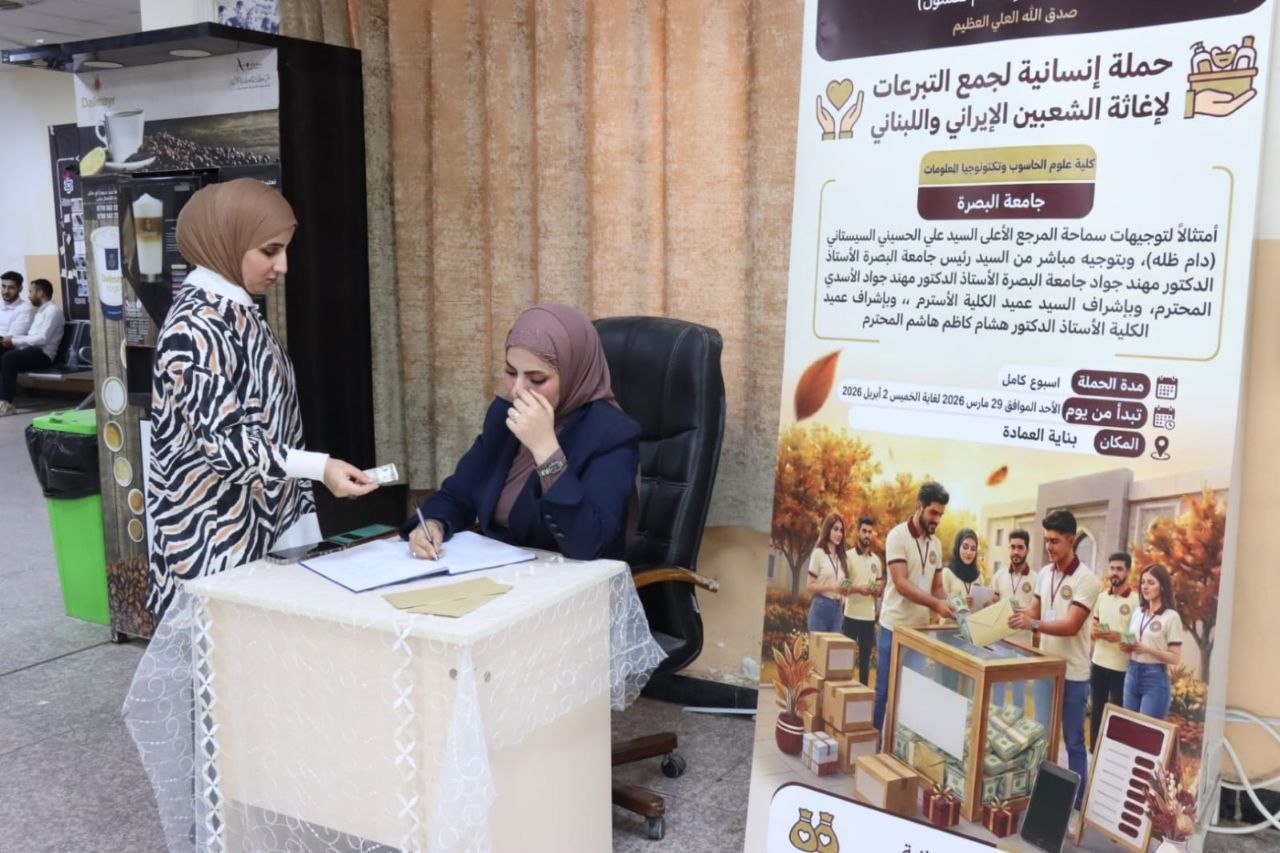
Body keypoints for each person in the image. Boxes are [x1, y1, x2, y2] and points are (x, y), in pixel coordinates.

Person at [146, 179, 376, 618]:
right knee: (224, 656)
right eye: (270, 251)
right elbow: (227, 448)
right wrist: (319, 468)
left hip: (258, 527)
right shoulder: (195, 326)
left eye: (284, 250)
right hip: (214, 538)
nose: (283, 266)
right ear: (225, 242)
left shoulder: (234, 309)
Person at [405, 303, 640, 562]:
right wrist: (434, 523)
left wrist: (546, 451)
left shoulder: (611, 433)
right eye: (510, 372)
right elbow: (459, 493)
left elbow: (589, 544)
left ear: (574, 374)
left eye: (536, 379)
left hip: (568, 575)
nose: (517, 390)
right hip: (498, 567)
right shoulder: (505, 413)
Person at [1008, 509, 1100, 809]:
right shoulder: (1045, 574)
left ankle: (1075, 804)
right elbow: (1034, 612)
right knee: (1042, 736)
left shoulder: (1088, 580)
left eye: (1055, 541)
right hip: (1047, 670)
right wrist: (1012, 614)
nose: (1048, 546)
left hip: (1073, 675)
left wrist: (1033, 623)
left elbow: (1071, 625)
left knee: (1073, 742)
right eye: (1046, 540)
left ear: (1072, 540)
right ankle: (1042, 795)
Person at [875, 481, 955, 731]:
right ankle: (874, 743)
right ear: (919, 506)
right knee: (883, 693)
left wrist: (952, 605)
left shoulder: (936, 544)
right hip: (893, 629)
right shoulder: (897, 536)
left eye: (941, 515)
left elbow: (937, 587)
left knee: (910, 696)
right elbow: (901, 583)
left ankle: (899, 748)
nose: (937, 520)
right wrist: (936, 604)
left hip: (918, 633)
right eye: (933, 513)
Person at [1121, 564, 1183, 719]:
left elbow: (1175, 658)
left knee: (1145, 730)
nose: (1145, 586)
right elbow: (1132, 640)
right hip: (1132, 673)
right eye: (1143, 582)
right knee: (1128, 727)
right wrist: (1127, 645)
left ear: (1162, 586)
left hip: (1154, 678)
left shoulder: (1171, 617)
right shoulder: (1138, 612)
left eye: (1151, 582)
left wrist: (1147, 649)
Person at [1091, 552, 1139, 746]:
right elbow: (1094, 625)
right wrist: (1095, 632)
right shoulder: (1101, 597)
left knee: (1118, 713)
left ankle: (1114, 752)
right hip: (1098, 662)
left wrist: (1119, 636)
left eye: (1119, 569)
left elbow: (1138, 638)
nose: (1115, 573)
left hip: (1121, 667)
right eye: (1112, 568)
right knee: (1097, 710)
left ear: (1128, 571)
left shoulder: (1136, 601)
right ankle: (1094, 750)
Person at [0, 278, 64, 416]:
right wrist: (10, 340)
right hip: (30, 351)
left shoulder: (53, 312)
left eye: (30, 291)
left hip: (43, 354)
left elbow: (42, 339)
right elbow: (31, 337)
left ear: (40, 293)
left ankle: (5, 403)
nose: (28, 295)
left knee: (9, 358)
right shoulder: (40, 311)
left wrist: (14, 341)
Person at [991, 529, 1036, 708]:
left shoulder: (1036, 579)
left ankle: (1018, 723)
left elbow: (1038, 613)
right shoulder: (999, 576)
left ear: (1027, 550)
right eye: (1013, 547)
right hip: (1000, 642)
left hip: (1023, 645)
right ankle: (995, 720)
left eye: (1020, 547)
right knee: (997, 691)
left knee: (1019, 694)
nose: (1016, 551)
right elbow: (993, 604)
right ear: (1009, 548)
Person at [841, 515, 882, 686]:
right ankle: (843, 693)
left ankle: (862, 695)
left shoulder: (876, 561)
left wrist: (876, 589)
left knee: (865, 662)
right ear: (858, 532)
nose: (867, 535)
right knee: (845, 660)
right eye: (864, 531)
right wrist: (859, 589)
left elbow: (879, 588)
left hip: (868, 618)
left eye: (870, 532)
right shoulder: (848, 556)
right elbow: (843, 586)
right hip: (850, 616)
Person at [806, 513, 849, 633]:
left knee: (834, 645)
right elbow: (809, 586)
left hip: (837, 609)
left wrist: (845, 589)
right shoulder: (818, 553)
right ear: (827, 530)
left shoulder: (842, 557)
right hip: (821, 606)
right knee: (818, 646)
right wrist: (832, 587)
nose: (839, 534)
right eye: (835, 529)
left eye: (841, 530)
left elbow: (842, 585)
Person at [940, 528, 980, 607]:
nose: (969, 552)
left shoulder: (979, 577)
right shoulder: (947, 573)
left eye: (973, 549)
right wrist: (961, 603)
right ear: (958, 547)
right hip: (953, 615)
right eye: (965, 547)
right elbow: (941, 603)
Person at [0, 271, 32, 341]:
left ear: (20, 289)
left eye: (11, 288)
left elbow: (9, 340)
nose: (6, 291)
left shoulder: (25, 309)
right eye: (3, 286)